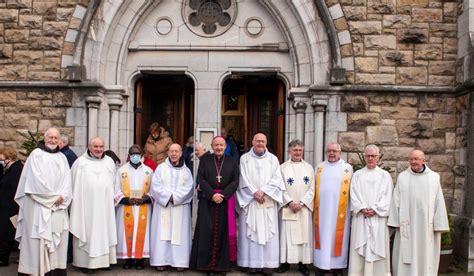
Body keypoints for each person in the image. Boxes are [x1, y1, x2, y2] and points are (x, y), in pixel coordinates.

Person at [15, 127, 72, 275]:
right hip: (38, 206)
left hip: (58, 207)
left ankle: (55, 270)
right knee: (37, 240)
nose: (53, 140)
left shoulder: (62, 158)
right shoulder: (36, 155)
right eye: (50, 137)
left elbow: (67, 182)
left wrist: (62, 198)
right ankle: (36, 271)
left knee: (56, 239)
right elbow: (34, 182)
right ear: (44, 138)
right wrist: (53, 198)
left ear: (60, 140)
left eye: (56, 138)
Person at [387, 149, 449, 276]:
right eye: (411, 159)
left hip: (426, 228)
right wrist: (395, 221)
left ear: (423, 160)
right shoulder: (403, 177)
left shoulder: (434, 178)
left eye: (416, 159)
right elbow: (395, 200)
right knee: (405, 255)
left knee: (424, 255)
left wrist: (439, 225)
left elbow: (439, 201)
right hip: (406, 226)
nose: (413, 162)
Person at [236, 132, 285, 275]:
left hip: (267, 201)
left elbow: (277, 179)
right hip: (251, 201)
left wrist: (263, 191)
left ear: (266, 143)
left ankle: (268, 265)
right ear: (252, 142)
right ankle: (251, 264)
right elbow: (242, 178)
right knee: (251, 232)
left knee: (268, 232)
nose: (260, 144)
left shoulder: (273, 159)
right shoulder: (244, 159)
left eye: (263, 141)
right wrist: (254, 193)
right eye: (257, 141)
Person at [190, 136, 239, 273]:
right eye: (216, 145)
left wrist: (223, 195)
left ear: (225, 147)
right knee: (206, 232)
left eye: (221, 145)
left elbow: (235, 181)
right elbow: (201, 179)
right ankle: (206, 265)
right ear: (212, 146)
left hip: (225, 201)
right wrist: (212, 194)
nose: (219, 148)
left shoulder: (232, 161)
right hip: (208, 200)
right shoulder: (205, 160)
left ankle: (221, 266)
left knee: (223, 233)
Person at [70, 137, 117, 273]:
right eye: (95, 146)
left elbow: (114, 184)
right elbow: (73, 186)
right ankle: (86, 263)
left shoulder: (109, 162)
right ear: (89, 147)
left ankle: (105, 261)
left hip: (105, 207)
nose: (98, 149)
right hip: (86, 207)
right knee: (88, 233)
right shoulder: (80, 163)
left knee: (105, 231)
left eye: (101, 146)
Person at [348, 145, 392, 276]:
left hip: (378, 218)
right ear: (364, 157)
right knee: (360, 248)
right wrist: (361, 208)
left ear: (378, 157)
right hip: (361, 218)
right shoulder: (357, 175)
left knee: (377, 247)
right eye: (368, 156)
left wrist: (375, 209)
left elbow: (387, 196)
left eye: (373, 156)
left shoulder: (384, 176)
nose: (371, 158)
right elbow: (353, 194)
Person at [150, 143, 194, 271]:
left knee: (179, 235)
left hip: (179, 207)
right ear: (168, 153)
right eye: (172, 151)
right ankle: (160, 261)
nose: (174, 154)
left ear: (181, 153)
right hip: (163, 206)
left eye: (177, 151)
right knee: (162, 234)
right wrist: (167, 197)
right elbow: (155, 186)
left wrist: (175, 198)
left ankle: (179, 262)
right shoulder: (160, 168)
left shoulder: (186, 171)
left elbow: (189, 188)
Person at [313, 142, 353, 276]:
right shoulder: (319, 167)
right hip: (322, 211)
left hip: (339, 212)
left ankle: (338, 267)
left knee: (338, 236)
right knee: (323, 236)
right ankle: (321, 266)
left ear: (340, 153)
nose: (331, 153)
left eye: (334, 151)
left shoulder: (347, 168)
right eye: (329, 151)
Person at [278, 139, 314, 275]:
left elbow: (312, 189)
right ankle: (285, 262)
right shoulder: (283, 168)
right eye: (295, 150)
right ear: (289, 151)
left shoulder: (309, 168)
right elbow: (280, 188)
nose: (298, 152)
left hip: (303, 208)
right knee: (287, 236)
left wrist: (302, 203)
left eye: (300, 150)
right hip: (289, 207)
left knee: (303, 236)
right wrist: (290, 202)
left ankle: (302, 264)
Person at [114, 145, 153, 270]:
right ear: (129, 155)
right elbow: (115, 188)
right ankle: (128, 260)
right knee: (127, 232)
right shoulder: (121, 170)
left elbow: (154, 189)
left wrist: (146, 198)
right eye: (133, 154)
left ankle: (140, 259)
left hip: (143, 207)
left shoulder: (148, 171)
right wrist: (125, 200)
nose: (135, 156)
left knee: (142, 232)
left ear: (142, 155)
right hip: (127, 207)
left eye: (137, 154)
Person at [0, 147, 23, 267]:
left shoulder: (16, 170)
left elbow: (14, 190)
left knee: (6, 234)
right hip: (7, 206)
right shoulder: (11, 169)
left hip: (11, 208)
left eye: (2, 159)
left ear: (8, 158)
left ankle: (3, 258)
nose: (1, 161)